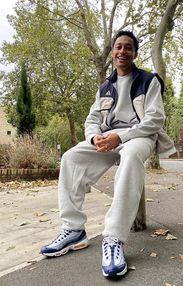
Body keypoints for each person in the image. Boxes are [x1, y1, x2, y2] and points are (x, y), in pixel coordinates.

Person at [40, 30, 175, 278]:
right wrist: (95, 137)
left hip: (139, 137)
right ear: (113, 52)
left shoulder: (149, 80)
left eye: (128, 47)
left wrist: (120, 137)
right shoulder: (105, 87)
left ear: (135, 53)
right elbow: (92, 119)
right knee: (70, 157)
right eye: (118, 47)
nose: (122, 51)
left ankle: (113, 237)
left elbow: (155, 119)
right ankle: (73, 230)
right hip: (108, 139)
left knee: (131, 155)